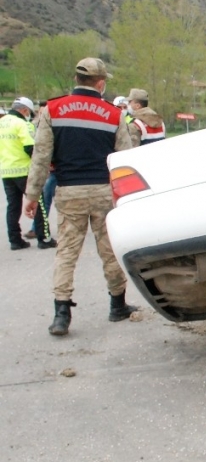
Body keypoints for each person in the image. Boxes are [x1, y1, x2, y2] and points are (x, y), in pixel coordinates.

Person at [24, 57, 138, 336]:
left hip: (69, 192)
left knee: (66, 252)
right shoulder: (113, 114)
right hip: (102, 192)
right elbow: (123, 160)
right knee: (109, 249)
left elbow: (41, 158)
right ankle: (117, 305)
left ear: (76, 80)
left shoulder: (53, 110)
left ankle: (61, 313)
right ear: (100, 84)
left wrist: (31, 195)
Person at [1, 96, 56, 250]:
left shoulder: (1, 123)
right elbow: (30, 148)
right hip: (25, 172)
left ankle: (15, 240)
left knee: (13, 207)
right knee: (38, 204)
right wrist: (45, 165)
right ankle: (43, 238)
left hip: (7, 172)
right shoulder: (22, 124)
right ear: (24, 110)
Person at [25, 101, 57, 241]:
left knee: (48, 199)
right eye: (40, 111)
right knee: (46, 198)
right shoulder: (35, 125)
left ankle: (37, 229)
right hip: (48, 169)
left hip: (56, 168)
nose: (42, 113)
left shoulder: (54, 125)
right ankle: (35, 228)